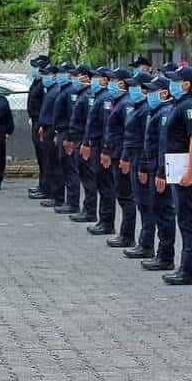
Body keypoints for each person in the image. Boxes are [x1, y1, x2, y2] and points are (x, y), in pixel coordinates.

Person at [162, 66, 192, 285]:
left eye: (176, 81)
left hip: (184, 169)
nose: (172, 85)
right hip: (176, 167)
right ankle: (184, 267)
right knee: (183, 217)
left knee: (188, 220)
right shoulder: (179, 104)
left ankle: (189, 270)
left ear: (186, 84)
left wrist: (190, 170)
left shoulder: (188, 105)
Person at [138, 74, 176, 269]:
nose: (149, 94)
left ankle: (166, 256)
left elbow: (164, 145)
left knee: (164, 212)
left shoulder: (165, 112)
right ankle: (161, 253)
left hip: (160, 170)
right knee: (157, 209)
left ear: (163, 93)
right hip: (153, 167)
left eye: (153, 91)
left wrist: (162, 172)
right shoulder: (156, 111)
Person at [121, 69, 157, 260]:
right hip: (135, 157)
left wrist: (142, 165)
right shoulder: (138, 107)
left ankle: (147, 243)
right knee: (141, 202)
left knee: (145, 204)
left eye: (135, 86)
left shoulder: (146, 110)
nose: (131, 90)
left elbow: (146, 140)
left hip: (141, 159)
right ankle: (144, 242)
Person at [103, 69, 137, 248]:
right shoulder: (119, 102)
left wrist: (125, 157)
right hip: (116, 153)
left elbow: (128, 133)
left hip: (123, 155)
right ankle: (125, 233)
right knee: (122, 194)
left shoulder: (127, 103)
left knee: (126, 196)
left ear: (123, 83)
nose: (110, 83)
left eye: (114, 80)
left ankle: (128, 234)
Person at [83, 67, 116, 235]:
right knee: (102, 184)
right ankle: (103, 220)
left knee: (106, 186)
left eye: (98, 77)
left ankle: (107, 222)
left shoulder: (106, 99)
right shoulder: (98, 96)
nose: (94, 80)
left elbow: (107, 126)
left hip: (102, 146)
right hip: (96, 145)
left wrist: (106, 149)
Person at [66, 66, 96, 222]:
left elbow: (90, 123)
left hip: (84, 141)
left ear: (85, 77)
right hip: (78, 139)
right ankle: (88, 209)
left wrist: (86, 142)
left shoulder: (88, 95)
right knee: (85, 177)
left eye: (77, 76)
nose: (74, 79)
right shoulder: (82, 94)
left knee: (89, 178)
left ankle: (90, 211)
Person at [52, 62, 81, 213]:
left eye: (62, 73)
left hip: (69, 134)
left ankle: (73, 202)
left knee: (70, 168)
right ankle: (69, 201)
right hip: (62, 132)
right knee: (65, 167)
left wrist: (69, 137)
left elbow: (72, 116)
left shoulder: (71, 91)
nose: (59, 76)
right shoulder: (63, 90)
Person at [37, 64, 65, 208]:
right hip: (47, 128)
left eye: (47, 74)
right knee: (49, 163)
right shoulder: (51, 91)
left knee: (55, 165)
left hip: (53, 130)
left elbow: (57, 116)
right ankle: (54, 194)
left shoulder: (56, 91)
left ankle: (57, 196)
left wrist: (54, 132)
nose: (44, 77)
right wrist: (42, 126)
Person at [27, 55, 50, 198]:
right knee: (41, 158)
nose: (33, 70)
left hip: (41, 124)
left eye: (35, 67)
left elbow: (45, 107)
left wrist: (41, 123)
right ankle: (42, 185)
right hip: (35, 122)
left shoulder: (44, 85)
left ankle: (47, 187)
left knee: (45, 157)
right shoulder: (36, 82)